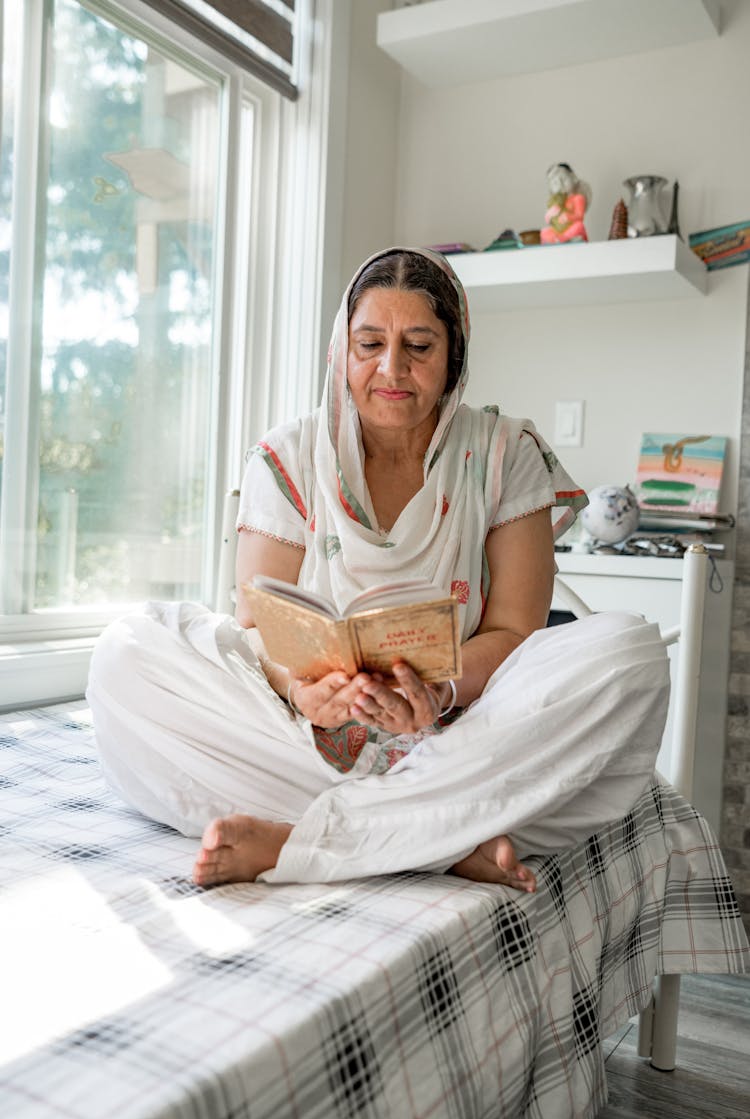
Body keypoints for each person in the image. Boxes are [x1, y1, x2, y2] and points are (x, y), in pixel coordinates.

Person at [87, 247, 669, 890]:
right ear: (343, 349)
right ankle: (438, 840)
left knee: (630, 652)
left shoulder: (508, 453)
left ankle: (317, 839)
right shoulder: (286, 455)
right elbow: (256, 625)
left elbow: (514, 631)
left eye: (419, 345)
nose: (392, 368)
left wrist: (438, 693)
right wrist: (302, 689)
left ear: (455, 359)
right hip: (307, 731)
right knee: (125, 653)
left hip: (462, 731)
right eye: (370, 343)